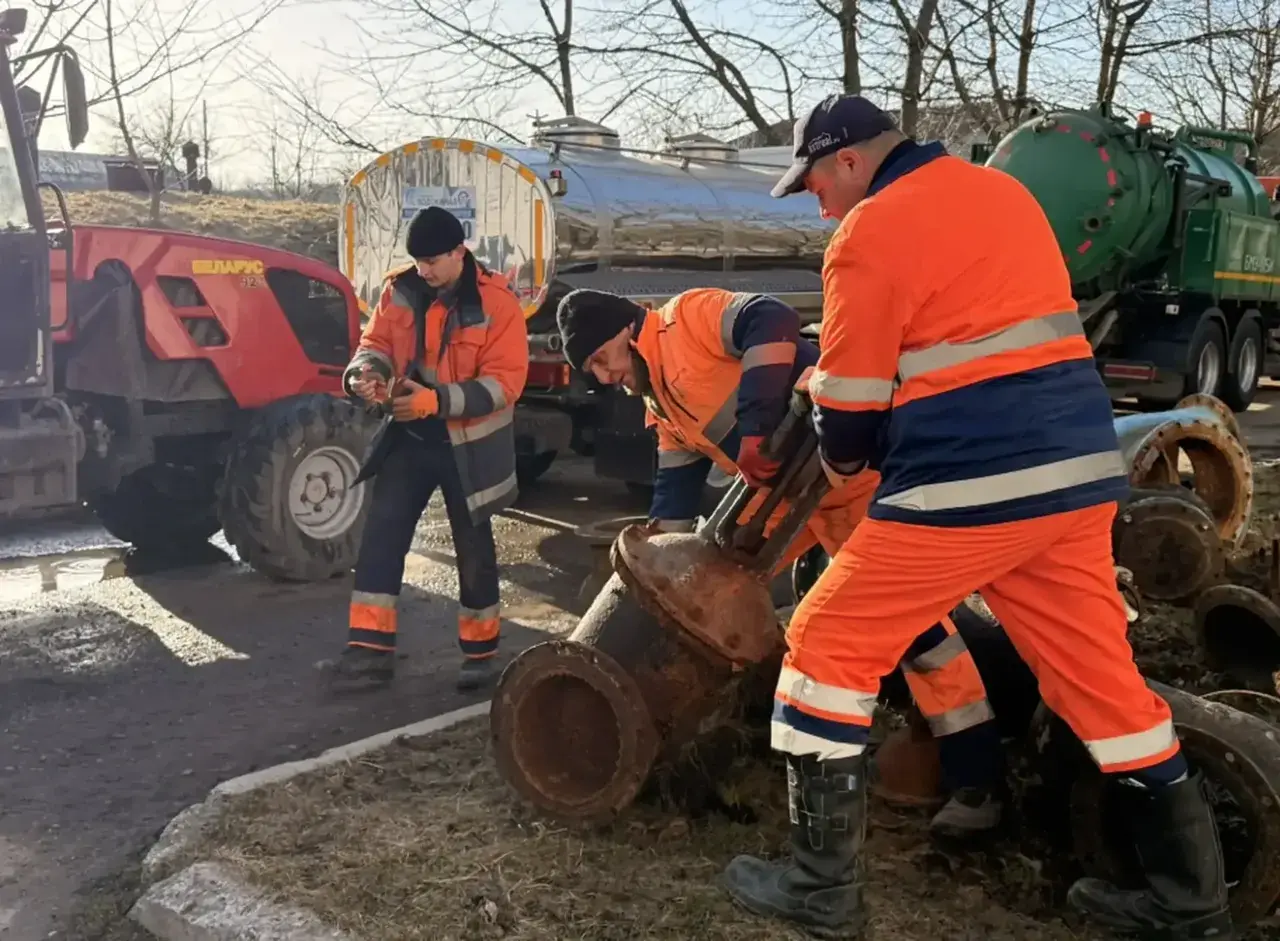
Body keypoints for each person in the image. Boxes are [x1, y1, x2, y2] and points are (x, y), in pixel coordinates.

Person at [720, 93, 1233, 941]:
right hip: (1074, 476)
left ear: (849, 159)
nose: (815, 201)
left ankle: (820, 888)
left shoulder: (870, 231)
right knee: (1098, 679)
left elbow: (847, 411)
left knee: (825, 643)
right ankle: (1190, 900)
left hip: (969, 480)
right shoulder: (1004, 194)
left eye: (812, 181)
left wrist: (841, 444)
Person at [556, 286, 1006, 841]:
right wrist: (657, 577)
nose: (603, 377)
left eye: (601, 359)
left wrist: (756, 423)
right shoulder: (658, 402)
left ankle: (976, 777)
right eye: (592, 369)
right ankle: (711, 726)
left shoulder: (686, 319)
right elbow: (673, 504)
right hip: (797, 500)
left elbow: (770, 318)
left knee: (914, 628)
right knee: (711, 595)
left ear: (626, 331)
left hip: (859, 479)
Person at [321, 206, 529, 693]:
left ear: (461, 252)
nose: (424, 270)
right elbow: (374, 344)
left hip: (467, 446)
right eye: (417, 261)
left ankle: (481, 656)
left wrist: (435, 402)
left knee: (473, 548)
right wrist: (363, 376)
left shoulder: (499, 304)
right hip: (410, 438)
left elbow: (505, 385)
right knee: (382, 535)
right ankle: (368, 652)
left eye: (433, 260)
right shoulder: (401, 289)